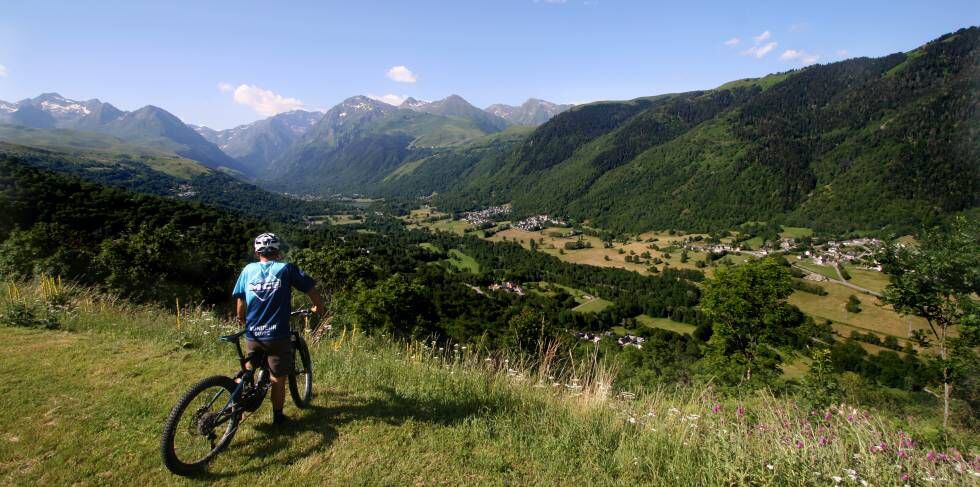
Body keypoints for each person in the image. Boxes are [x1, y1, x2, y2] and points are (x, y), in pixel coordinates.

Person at [232, 232, 323, 425]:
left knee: (249, 368)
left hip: (253, 334)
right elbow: (310, 289)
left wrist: (241, 318)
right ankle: (279, 418)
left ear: (257, 253)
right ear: (278, 251)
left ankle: (236, 403)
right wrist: (318, 307)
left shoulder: (248, 270)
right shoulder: (286, 269)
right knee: (277, 377)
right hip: (277, 335)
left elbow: (240, 299)